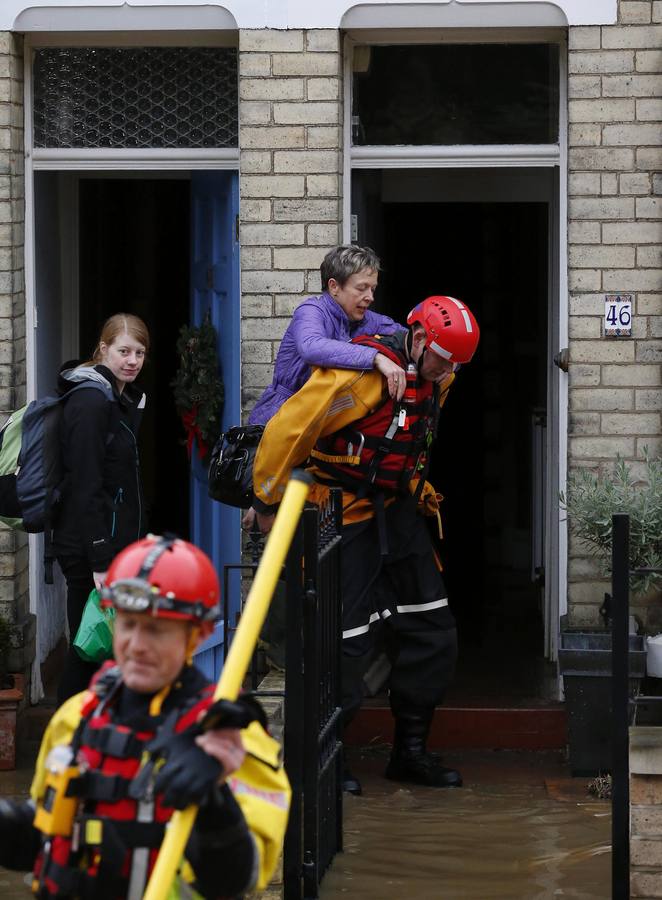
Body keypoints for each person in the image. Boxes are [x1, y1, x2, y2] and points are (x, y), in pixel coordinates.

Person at [251, 296, 480, 793]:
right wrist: (265, 500)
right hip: (343, 515)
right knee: (345, 643)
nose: (448, 370)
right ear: (419, 339)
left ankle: (410, 752)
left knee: (433, 630)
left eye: (458, 363)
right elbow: (288, 430)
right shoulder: (359, 378)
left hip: (398, 513)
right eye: (443, 357)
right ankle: (328, 761)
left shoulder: (441, 375)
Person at [0, 535, 290, 899]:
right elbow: (47, 837)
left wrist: (216, 803)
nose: (136, 644)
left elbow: (243, 879)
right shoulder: (77, 717)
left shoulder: (229, 738)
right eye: (127, 624)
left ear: (196, 634)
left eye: (156, 629)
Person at [52, 313, 149, 705]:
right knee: (87, 649)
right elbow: (85, 486)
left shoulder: (118, 399)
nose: (132, 360)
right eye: (123, 351)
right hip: (90, 549)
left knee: (104, 650)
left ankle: (90, 735)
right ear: (103, 349)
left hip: (108, 546)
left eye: (140, 352)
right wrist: (100, 559)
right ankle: (66, 738)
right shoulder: (91, 403)